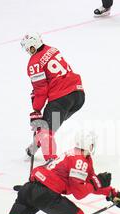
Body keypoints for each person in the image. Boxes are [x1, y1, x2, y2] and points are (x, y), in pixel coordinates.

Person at [21, 32, 85, 162]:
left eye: (28, 49)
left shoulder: (34, 62)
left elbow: (41, 90)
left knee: (46, 130)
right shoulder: (52, 49)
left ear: (32, 47)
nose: (28, 51)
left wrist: (36, 109)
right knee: (50, 125)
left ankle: (51, 162)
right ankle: (33, 148)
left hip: (61, 99)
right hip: (78, 96)